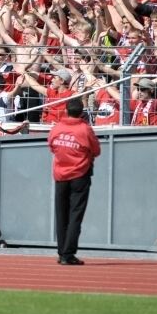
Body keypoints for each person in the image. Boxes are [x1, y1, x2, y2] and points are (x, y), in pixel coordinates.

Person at [48, 97, 101, 265]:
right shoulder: (85, 129)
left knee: (61, 215)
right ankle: (68, 254)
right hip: (80, 174)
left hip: (60, 175)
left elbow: (51, 146)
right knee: (75, 216)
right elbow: (96, 150)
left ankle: (62, 252)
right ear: (81, 112)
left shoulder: (57, 128)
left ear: (66, 110)